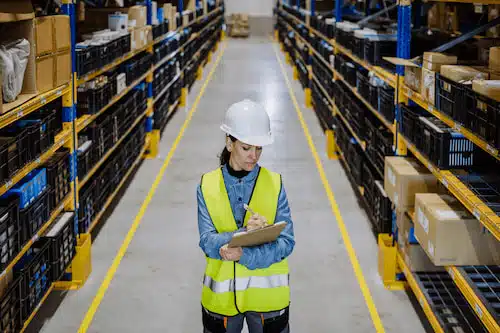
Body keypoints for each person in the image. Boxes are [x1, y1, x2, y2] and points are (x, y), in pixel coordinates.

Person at [197, 99, 296, 333]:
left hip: (267, 303)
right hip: (222, 303)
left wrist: (244, 253)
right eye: (246, 148)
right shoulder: (207, 185)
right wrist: (246, 234)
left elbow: (287, 242)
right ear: (229, 143)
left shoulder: (274, 183)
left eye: (259, 148)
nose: (254, 156)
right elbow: (207, 242)